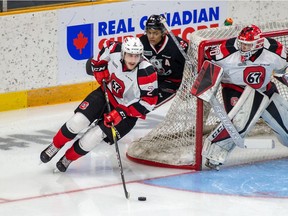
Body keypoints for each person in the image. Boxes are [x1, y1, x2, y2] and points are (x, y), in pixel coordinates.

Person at [40, 37, 158, 172]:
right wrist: (98, 67)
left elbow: (149, 103)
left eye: (136, 56)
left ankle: (69, 158)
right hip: (105, 94)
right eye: (130, 55)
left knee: (94, 137)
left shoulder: (147, 72)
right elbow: (105, 48)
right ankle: (55, 145)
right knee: (77, 122)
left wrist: (122, 112)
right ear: (123, 53)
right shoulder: (115, 49)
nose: (133, 60)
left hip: (127, 112)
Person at [202, 24, 288, 170]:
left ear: (258, 44)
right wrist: (206, 85)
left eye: (247, 45)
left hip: (264, 89)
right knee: (238, 125)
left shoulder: (275, 50)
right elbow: (205, 62)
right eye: (241, 43)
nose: (242, 47)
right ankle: (214, 154)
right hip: (235, 89)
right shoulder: (225, 50)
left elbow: (281, 71)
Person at [140, 14, 188, 107]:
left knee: (150, 103)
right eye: (149, 32)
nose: (151, 36)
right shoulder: (142, 42)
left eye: (155, 33)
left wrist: (186, 85)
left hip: (173, 83)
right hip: (154, 80)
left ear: (163, 32)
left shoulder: (177, 45)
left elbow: (192, 65)